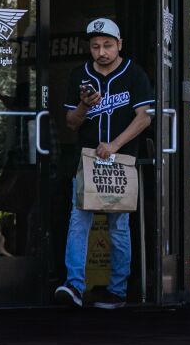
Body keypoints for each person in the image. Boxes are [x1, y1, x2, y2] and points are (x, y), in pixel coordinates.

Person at [54, 18, 153, 309]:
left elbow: (145, 116)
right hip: (86, 161)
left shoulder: (134, 73)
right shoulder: (79, 75)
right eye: (96, 46)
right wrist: (85, 105)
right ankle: (74, 286)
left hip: (121, 160)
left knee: (119, 226)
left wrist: (114, 146)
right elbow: (71, 123)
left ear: (119, 44)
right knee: (78, 221)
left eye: (108, 45)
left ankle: (117, 291)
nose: (102, 51)